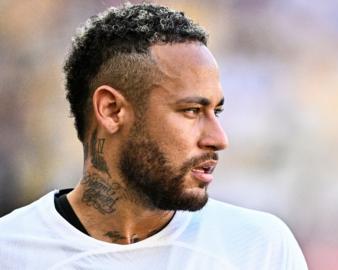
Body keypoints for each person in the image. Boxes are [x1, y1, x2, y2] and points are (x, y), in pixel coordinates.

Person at [0, 3, 308, 269]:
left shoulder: (259, 248)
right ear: (111, 110)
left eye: (217, 112)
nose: (219, 139)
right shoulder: (10, 250)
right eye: (191, 111)